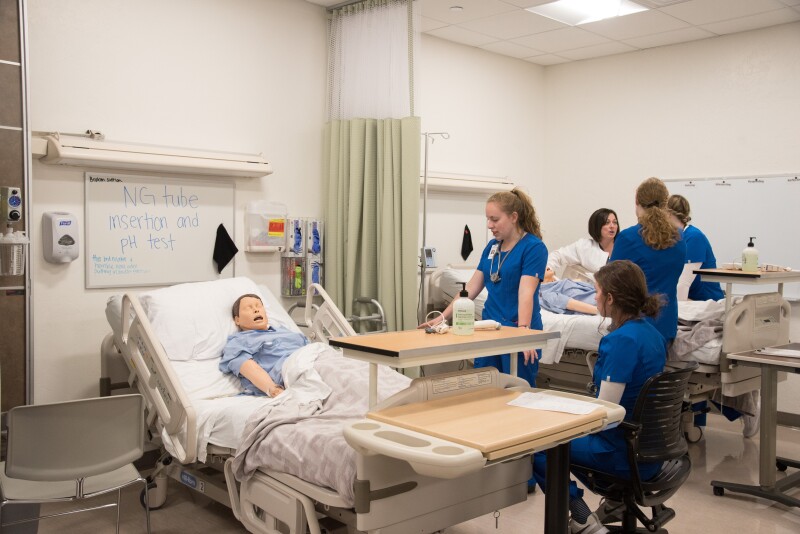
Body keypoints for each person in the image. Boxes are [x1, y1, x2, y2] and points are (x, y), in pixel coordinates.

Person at [532, 260, 668, 534]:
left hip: (621, 453)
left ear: (610, 298)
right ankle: (613, 506)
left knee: (538, 448)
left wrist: (558, 415)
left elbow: (604, 414)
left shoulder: (621, 341)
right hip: (653, 450)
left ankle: (583, 519)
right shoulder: (652, 333)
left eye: (597, 291)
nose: (594, 297)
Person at [420, 188, 547, 388]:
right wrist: (443, 317)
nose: (490, 225)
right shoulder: (492, 247)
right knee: (484, 389)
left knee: (517, 391)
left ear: (514, 217)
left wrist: (524, 332)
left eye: (495, 219)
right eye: (488, 219)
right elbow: (471, 288)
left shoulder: (533, 247)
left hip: (517, 328)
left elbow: (526, 292)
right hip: (489, 328)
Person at [610, 178, 686, 343]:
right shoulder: (679, 238)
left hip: (634, 329)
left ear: (636, 201)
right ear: (666, 204)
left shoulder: (628, 238)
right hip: (666, 326)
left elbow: (610, 282)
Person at [219, 293, 308, 397]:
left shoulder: (286, 332)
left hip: (312, 357)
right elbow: (250, 368)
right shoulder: (238, 342)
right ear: (237, 320)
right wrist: (272, 389)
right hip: (292, 370)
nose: (256, 310)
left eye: (259, 306)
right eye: (248, 308)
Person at [666, 194, 724, 301]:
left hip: (706, 303)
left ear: (668, 214)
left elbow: (683, 284)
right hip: (690, 300)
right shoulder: (674, 239)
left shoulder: (694, 237)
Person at [547, 208, 618, 281]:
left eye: (615, 222)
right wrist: (548, 271)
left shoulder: (623, 247)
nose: (612, 226)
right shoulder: (584, 247)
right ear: (597, 226)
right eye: (607, 222)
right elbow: (557, 256)